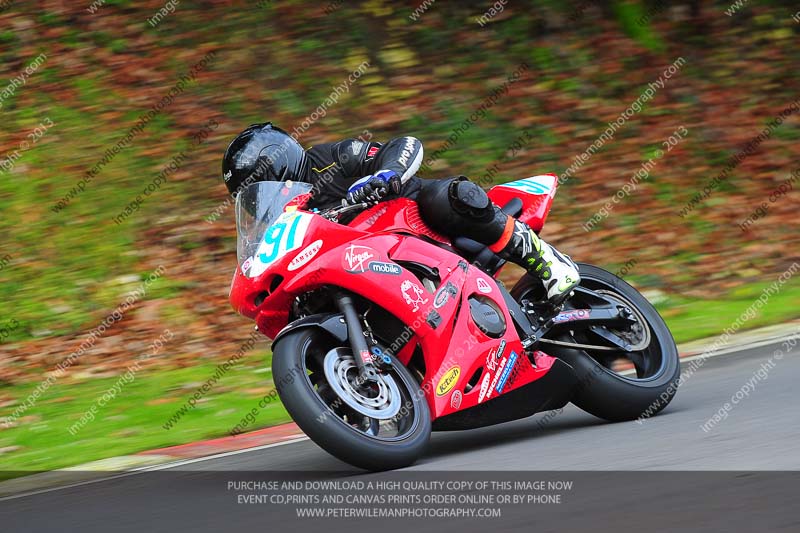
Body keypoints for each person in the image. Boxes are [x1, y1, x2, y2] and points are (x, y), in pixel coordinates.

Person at [222, 123, 580, 305]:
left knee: (447, 196)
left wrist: (385, 174)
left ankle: (545, 259)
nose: (255, 201)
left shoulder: (329, 158)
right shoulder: (283, 220)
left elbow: (405, 145)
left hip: (409, 221)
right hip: (362, 266)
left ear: (276, 162)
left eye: (255, 185)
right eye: (247, 196)